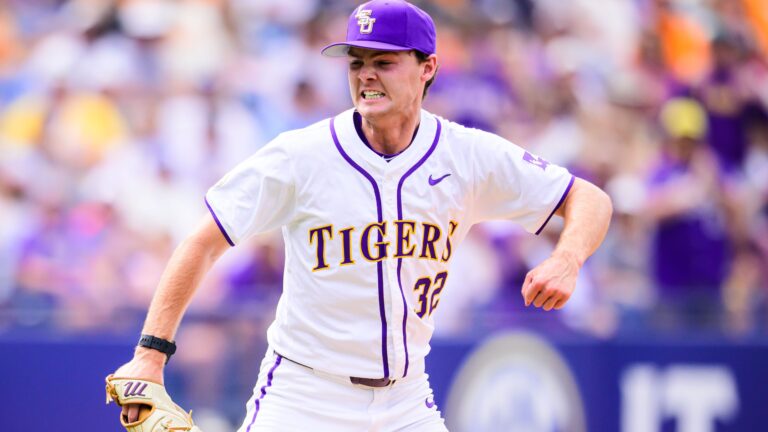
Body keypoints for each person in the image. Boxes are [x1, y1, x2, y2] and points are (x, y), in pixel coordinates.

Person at [112, 1, 613, 430]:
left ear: (428, 68)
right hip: (304, 395)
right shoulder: (301, 156)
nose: (365, 74)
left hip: (406, 398)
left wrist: (567, 258)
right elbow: (202, 242)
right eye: (356, 62)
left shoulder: (466, 155)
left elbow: (589, 199)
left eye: (384, 62)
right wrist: (150, 355)